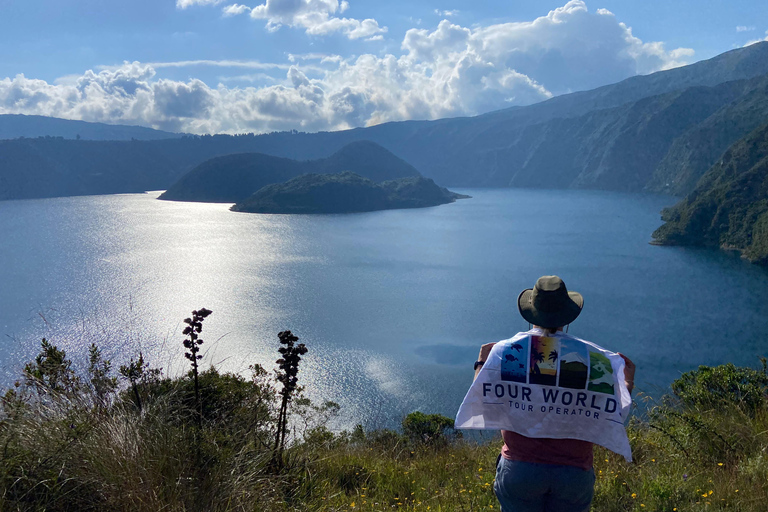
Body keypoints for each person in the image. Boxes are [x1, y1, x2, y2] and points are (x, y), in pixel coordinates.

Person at [472, 275, 635, 512]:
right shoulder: (592, 359)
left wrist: (481, 363)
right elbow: (615, 412)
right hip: (574, 473)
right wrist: (627, 381)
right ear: (567, 317)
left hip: (520, 468)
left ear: (530, 314)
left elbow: (482, 400)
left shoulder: (507, 354)